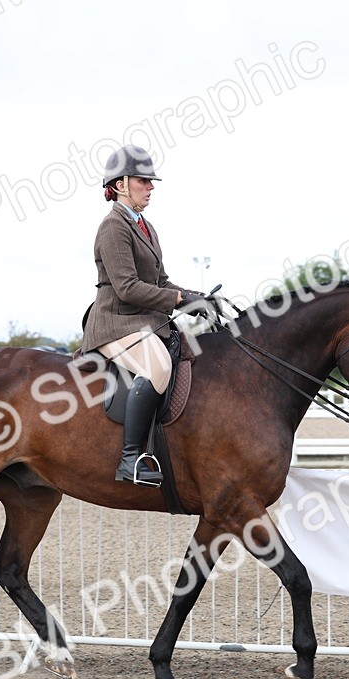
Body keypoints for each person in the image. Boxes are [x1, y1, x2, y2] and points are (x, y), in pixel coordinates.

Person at [82, 144, 208, 486]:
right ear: (121, 184)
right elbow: (127, 288)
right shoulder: (113, 227)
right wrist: (178, 299)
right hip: (115, 323)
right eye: (143, 181)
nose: (151, 187)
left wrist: (196, 297)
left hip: (144, 322)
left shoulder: (146, 226)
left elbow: (160, 282)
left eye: (150, 182)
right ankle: (130, 459)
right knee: (158, 367)